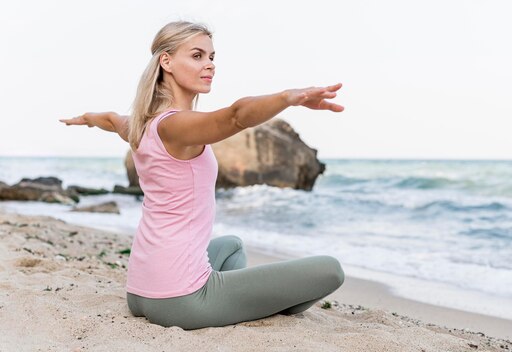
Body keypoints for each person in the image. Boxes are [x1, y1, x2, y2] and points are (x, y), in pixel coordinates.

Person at [59, 21, 345, 329]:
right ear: (165, 61)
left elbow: (110, 119)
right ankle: (261, 307)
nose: (209, 65)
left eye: (211, 57)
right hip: (180, 299)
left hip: (141, 291)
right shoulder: (177, 126)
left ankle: (241, 302)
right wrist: (290, 97)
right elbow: (236, 115)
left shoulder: (139, 124)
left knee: (232, 244)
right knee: (331, 270)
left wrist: (85, 119)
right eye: (197, 56)